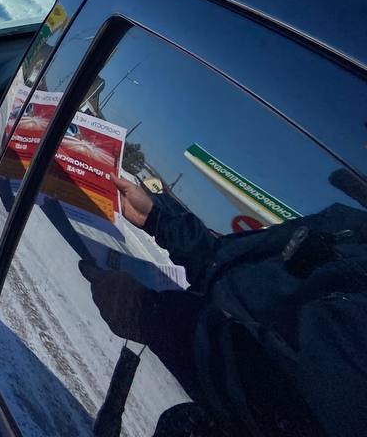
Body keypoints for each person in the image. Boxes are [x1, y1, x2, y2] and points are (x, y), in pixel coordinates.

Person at [78, 175, 367, 436]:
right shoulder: (347, 222)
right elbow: (228, 266)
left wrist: (149, 314)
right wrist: (157, 218)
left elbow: (294, 395)